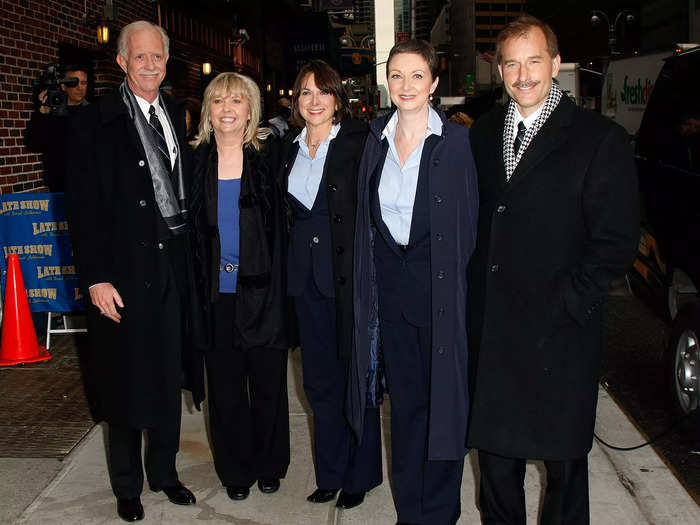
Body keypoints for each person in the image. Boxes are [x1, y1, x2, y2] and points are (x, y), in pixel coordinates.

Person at [467, 15, 639, 524]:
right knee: (496, 469)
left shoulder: (598, 139)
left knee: (564, 472)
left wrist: (571, 302)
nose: (523, 74)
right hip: (495, 335)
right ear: (499, 71)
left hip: (559, 337)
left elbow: (615, 242)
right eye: (512, 63)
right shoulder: (481, 135)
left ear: (556, 64)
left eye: (534, 61)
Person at [64, 21, 204, 523]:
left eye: (158, 58)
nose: (150, 65)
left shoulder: (172, 111)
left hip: (172, 265)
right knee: (124, 378)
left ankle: (165, 473)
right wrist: (96, 277)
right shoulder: (95, 121)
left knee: (167, 373)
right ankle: (127, 485)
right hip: (121, 272)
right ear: (122, 62)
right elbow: (81, 208)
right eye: (140, 57)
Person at [349, 40, 479, 524]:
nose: (406, 86)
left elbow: (468, 228)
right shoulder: (374, 140)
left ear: (434, 83)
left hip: (440, 298)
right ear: (387, 80)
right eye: (397, 75)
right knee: (404, 413)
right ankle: (410, 511)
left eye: (416, 75)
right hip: (393, 298)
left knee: (443, 409)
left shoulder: (455, 144)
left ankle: (440, 512)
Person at [283, 59, 382, 510]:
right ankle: (330, 473)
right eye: (305, 92)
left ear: (337, 97)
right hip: (304, 283)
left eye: (322, 91)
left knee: (355, 379)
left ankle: (359, 475)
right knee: (319, 384)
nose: (314, 100)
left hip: (348, 280)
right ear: (295, 102)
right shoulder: (288, 148)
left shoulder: (360, 143)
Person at [189, 72, 290, 501]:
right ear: (207, 112)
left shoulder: (272, 157)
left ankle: (270, 464)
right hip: (216, 297)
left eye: (237, 101)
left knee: (267, 385)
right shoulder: (194, 163)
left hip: (264, 294)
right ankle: (235, 470)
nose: (227, 109)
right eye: (218, 101)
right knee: (226, 391)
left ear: (251, 110)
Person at [25, 64, 89, 191]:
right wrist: (42, 114)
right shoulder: (51, 113)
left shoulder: (95, 113)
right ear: (63, 85)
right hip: (59, 186)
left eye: (83, 82)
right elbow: (33, 145)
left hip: (89, 185)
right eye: (74, 83)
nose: (79, 87)